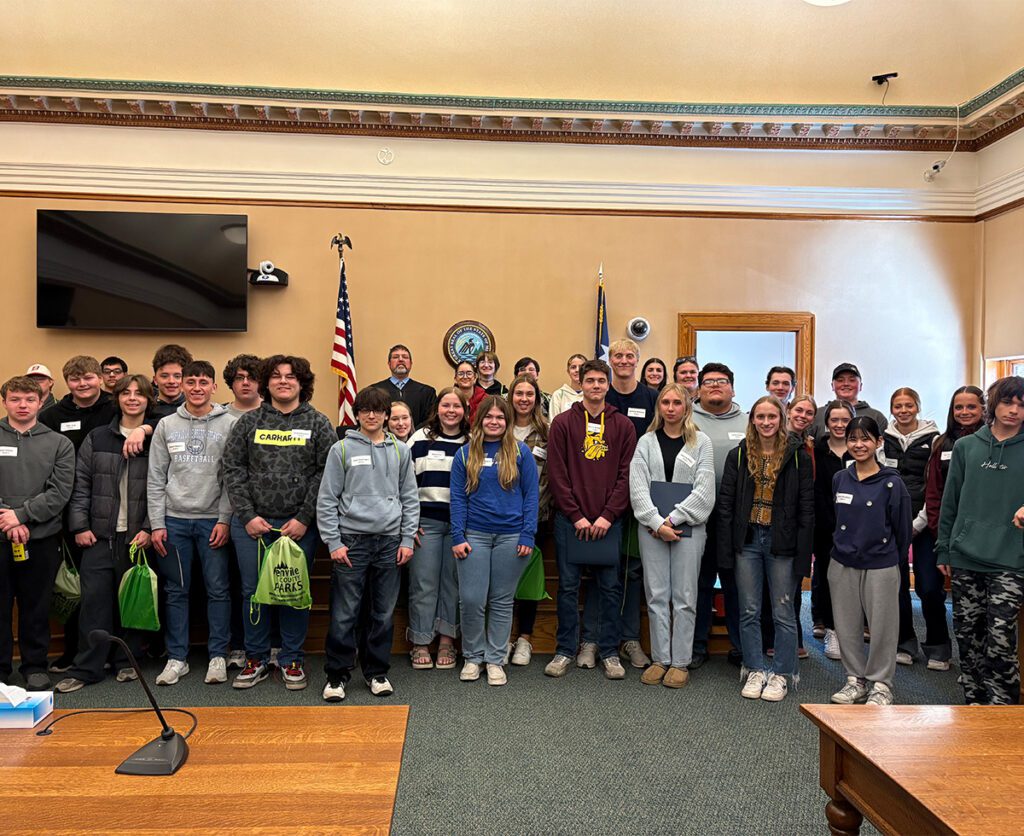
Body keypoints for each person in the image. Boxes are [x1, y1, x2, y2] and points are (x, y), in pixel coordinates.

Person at [223, 355, 336, 690]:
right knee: (251, 591)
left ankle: (291, 658)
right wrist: (247, 516)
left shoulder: (318, 422)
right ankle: (256, 657)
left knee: (292, 592)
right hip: (252, 527)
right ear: (265, 383)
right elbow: (233, 469)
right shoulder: (248, 423)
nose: (283, 381)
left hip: (299, 527)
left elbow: (325, 474)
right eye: (275, 376)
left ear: (302, 383)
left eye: (290, 376)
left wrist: (304, 518)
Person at [40, 355, 149, 672]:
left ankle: (127, 661)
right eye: (126, 394)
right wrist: (79, 526)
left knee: (131, 600)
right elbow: (80, 485)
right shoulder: (98, 436)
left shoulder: (156, 437)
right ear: (117, 398)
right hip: (98, 534)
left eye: (138, 394)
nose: (131, 399)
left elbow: (161, 487)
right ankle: (89, 665)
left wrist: (149, 526)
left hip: (136, 535)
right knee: (93, 603)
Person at [317, 386, 419, 702]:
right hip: (351, 542)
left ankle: (377, 673)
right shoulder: (342, 450)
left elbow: (410, 498)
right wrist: (334, 542)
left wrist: (406, 539)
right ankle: (337, 676)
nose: (371, 415)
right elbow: (326, 499)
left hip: (390, 543)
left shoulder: (401, 451)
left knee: (383, 612)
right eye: (365, 410)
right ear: (357, 414)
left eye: (378, 410)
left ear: (387, 415)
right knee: (345, 612)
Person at [544, 359, 637, 680]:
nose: (596, 386)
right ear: (580, 384)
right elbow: (557, 473)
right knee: (568, 588)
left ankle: (609, 652)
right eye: (590, 381)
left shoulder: (623, 425)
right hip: (571, 522)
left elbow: (627, 475)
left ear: (608, 386)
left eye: (601, 381)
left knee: (610, 588)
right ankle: (565, 650)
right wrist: (577, 515)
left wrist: (608, 515)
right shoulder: (563, 423)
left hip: (609, 522)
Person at [147, 360, 238, 687]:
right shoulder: (166, 425)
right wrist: (157, 523)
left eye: (203, 382)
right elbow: (156, 477)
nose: (197, 388)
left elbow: (232, 478)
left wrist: (225, 519)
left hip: (213, 520)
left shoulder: (229, 423)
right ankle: (177, 658)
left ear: (214, 387)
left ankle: (217, 656)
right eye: (191, 382)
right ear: (181, 386)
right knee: (175, 591)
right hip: (174, 522)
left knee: (218, 589)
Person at [717, 396, 813, 702]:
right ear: (752, 419)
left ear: (781, 418)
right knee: (748, 610)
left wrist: (803, 554)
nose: (767, 422)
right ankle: (755, 668)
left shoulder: (798, 455)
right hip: (747, 541)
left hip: (781, 542)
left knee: (783, 611)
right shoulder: (739, 454)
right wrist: (726, 548)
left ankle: (783, 673)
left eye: (772, 416)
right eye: (761, 417)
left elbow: (807, 509)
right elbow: (727, 505)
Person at [937, 376, 1024, 705]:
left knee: (1000, 639)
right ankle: (974, 704)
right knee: (968, 636)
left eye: (1021, 405)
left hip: (1011, 559)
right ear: (994, 405)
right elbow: (950, 502)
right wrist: (944, 547)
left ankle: (1003, 712)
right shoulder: (966, 447)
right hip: (965, 556)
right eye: (1007, 402)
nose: (1014, 410)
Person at [629, 383, 715, 688]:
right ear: (659, 407)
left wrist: (673, 518)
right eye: (665, 402)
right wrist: (655, 522)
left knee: (685, 596)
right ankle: (660, 659)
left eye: (676, 402)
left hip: (688, 528)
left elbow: (705, 491)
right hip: (651, 529)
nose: (670, 407)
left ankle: (680, 662)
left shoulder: (701, 442)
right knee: (656, 595)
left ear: (686, 407)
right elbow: (637, 488)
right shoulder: (646, 442)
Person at [450, 395, 539, 686]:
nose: (494, 421)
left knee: (501, 601)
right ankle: (473, 657)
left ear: (507, 421)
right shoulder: (465, 454)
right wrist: (458, 535)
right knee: (472, 600)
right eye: (489, 417)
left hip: (511, 537)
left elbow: (531, 496)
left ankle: (495, 658)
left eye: (500, 417)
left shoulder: (521, 452)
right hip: (474, 535)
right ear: (479, 420)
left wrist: (528, 533)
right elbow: (458, 498)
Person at [828, 417, 912, 706]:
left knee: (883, 626)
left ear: (878, 442)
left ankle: (880, 683)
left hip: (881, 564)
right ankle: (855, 680)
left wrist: (890, 560)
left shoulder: (891, 483)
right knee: (846, 624)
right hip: (842, 563)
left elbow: (903, 531)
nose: (858, 444)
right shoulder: (840, 478)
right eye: (852, 439)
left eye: (865, 439)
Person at [0, 376, 75, 690]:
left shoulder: (59, 443)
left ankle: (34, 666)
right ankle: (2, 669)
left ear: (41, 402)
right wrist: (6, 517)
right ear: (5, 401)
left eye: (29, 400)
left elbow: (59, 493)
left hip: (41, 538)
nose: (22, 405)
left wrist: (21, 516)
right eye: (15, 399)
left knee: (36, 605)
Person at [589, 338, 657, 669]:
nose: (624, 360)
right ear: (609, 361)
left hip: (639, 500)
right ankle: (595, 639)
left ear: (637, 360)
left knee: (631, 572)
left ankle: (629, 638)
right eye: (618, 355)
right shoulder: (601, 396)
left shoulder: (652, 398)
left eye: (630, 355)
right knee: (600, 569)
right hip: (602, 502)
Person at [921, 385, 985, 670]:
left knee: (978, 604)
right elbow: (934, 492)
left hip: (979, 535)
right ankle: (941, 649)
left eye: (971, 407)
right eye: (959, 407)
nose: (965, 412)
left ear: (984, 408)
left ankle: (980, 663)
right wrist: (939, 532)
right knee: (932, 590)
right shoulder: (941, 444)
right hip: (943, 532)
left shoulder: (992, 441)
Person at [406, 388, 469, 671]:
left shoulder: (472, 442)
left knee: (452, 585)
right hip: (425, 524)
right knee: (423, 583)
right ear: (437, 408)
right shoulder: (419, 439)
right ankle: (420, 641)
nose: (451, 410)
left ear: (465, 411)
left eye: (457, 405)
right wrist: (408, 524)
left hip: (459, 526)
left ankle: (446, 641)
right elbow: (403, 484)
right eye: (446, 405)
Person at [690, 362, 748, 667]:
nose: (715, 385)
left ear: (732, 388)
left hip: (735, 519)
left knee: (735, 583)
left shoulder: (750, 420)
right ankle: (697, 647)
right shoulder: (686, 418)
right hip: (695, 515)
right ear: (698, 388)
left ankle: (740, 646)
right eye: (709, 381)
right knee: (699, 583)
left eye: (722, 381)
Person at [882, 387, 937, 667]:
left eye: (908, 405)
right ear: (892, 409)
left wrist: (919, 522)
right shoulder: (884, 440)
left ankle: (938, 644)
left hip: (925, 522)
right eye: (898, 406)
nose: (903, 411)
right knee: (897, 585)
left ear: (918, 406)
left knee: (928, 586)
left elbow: (936, 484)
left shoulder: (934, 439)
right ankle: (905, 642)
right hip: (893, 523)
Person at [221, 353, 264, 670]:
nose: (246, 382)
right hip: (229, 514)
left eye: (251, 377)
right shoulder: (218, 416)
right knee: (236, 584)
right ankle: (238, 645)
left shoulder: (273, 415)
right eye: (239, 377)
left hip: (267, 515)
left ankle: (268, 646)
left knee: (267, 583)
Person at [508, 374, 552, 666]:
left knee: (529, 580)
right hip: (499, 519)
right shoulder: (497, 427)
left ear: (537, 398)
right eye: (519, 393)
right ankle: (503, 637)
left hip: (536, 518)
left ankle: (524, 638)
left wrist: (533, 515)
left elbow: (551, 478)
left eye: (529, 394)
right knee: (502, 580)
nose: (524, 398)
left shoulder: (547, 432)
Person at [812, 400, 855, 660]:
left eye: (845, 420)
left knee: (853, 583)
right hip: (825, 527)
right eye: (834, 420)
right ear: (827, 423)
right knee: (829, 579)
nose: (840, 425)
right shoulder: (816, 451)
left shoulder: (860, 450)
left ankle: (850, 631)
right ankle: (832, 631)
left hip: (856, 528)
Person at [809, 363, 887, 440]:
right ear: (832, 386)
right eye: (840, 380)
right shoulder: (817, 415)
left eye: (852, 380)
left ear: (861, 386)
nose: (846, 384)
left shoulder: (876, 417)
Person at [369, 344, 438, 428]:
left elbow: (431, 420)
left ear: (411, 364)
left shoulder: (427, 392)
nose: (401, 360)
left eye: (405, 357)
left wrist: (413, 436)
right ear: (389, 364)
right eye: (395, 357)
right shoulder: (374, 391)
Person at [150, 344, 193, 420]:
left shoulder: (194, 409)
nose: (171, 381)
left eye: (177, 376)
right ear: (155, 380)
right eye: (164, 376)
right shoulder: (145, 408)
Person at [223, 354, 263, 418]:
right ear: (231, 382)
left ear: (261, 382)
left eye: (252, 378)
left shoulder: (275, 413)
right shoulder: (220, 414)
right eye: (239, 378)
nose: (245, 383)